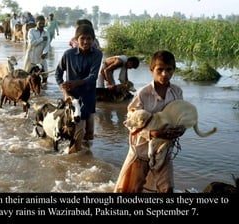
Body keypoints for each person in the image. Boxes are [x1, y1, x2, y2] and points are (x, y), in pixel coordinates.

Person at [114, 50, 186, 193]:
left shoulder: (177, 92)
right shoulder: (143, 93)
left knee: (167, 189)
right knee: (131, 189)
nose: (164, 74)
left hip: (164, 150)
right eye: (160, 70)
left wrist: (181, 129)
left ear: (174, 70)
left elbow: (181, 116)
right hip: (140, 149)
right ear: (152, 69)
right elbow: (130, 123)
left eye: (169, 70)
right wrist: (153, 133)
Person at [55, 24, 103, 153]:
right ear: (76, 39)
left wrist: (77, 83)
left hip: (88, 96)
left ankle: (84, 156)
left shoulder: (97, 54)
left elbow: (93, 76)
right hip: (73, 98)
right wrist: (64, 89)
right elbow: (58, 73)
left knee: (89, 134)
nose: (86, 42)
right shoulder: (68, 54)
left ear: (93, 40)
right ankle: (74, 158)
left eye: (89, 39)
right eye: (83, 38)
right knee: (77, 131)